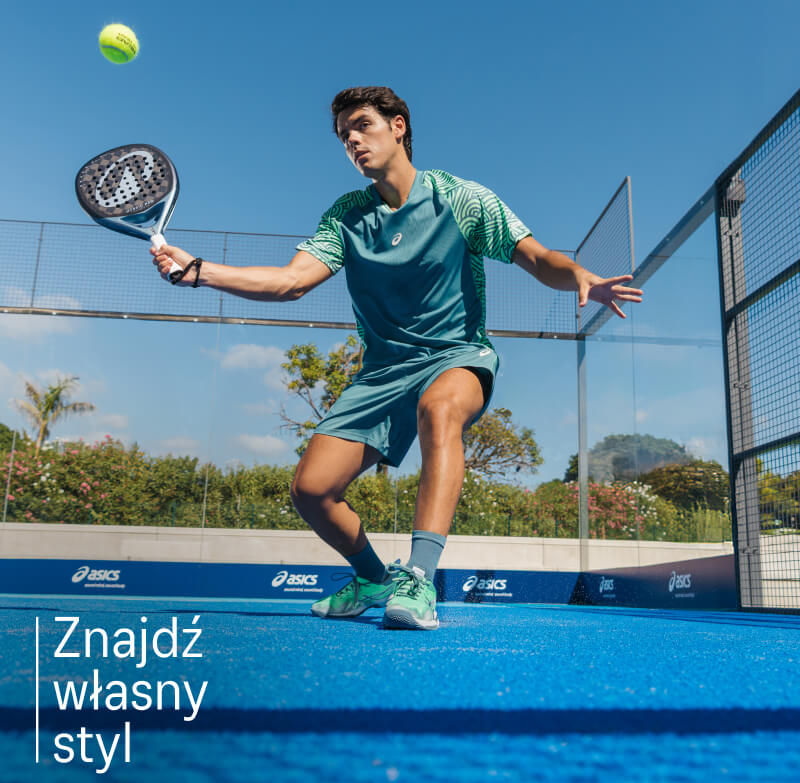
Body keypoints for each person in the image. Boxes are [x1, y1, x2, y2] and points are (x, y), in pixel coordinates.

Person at [152, 86, 643, 630]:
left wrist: (575, 274)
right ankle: (372, 577)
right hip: (383, 371)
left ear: (399, 126)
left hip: (457, 355)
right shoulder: (345, 215)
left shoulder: (462, 198)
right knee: (311, 491)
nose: (353, 141)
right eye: (344, 136)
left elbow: (536, 256)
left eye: (362, 126)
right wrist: (199, 270)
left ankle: (419, 580)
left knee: (440, 410)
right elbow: (291, 281)